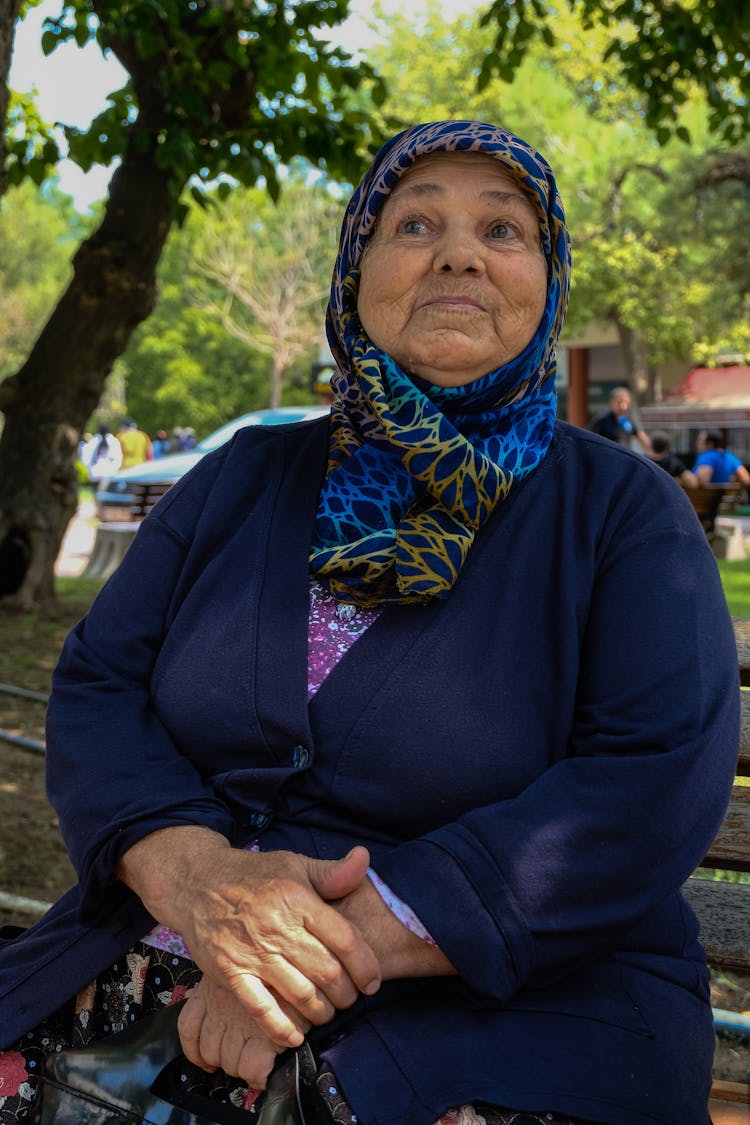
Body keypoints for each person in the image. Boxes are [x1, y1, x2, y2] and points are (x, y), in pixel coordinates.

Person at [0, 120, 739, 1125]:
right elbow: (98, 687)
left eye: (504, 230)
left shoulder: (622, 513)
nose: (458, 252)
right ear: (358, 270)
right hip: (157, 951)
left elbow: (646, 781)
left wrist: (311, 956)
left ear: (545, 281)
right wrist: (197, 879)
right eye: (416, 221)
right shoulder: (244, 478)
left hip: (515, 1009)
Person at [589, 385, 651, 452]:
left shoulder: (626, 420)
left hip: (625, 457)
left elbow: (641, 436)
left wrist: (651, 450)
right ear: (612, 402)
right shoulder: (602, 419)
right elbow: (589, 438)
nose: (623, 406)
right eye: (620, 402)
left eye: (626, 402)